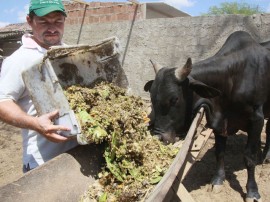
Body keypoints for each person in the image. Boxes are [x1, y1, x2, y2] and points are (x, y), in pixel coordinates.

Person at [0, 0, 78, 173]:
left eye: (58, 21)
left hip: (79, 153)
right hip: (44, 162)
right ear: (29, 21)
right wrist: (35, 123)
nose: (52, 27)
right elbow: (2, 102)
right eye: (44, 21)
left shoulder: (71, 52)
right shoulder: (19, 59)